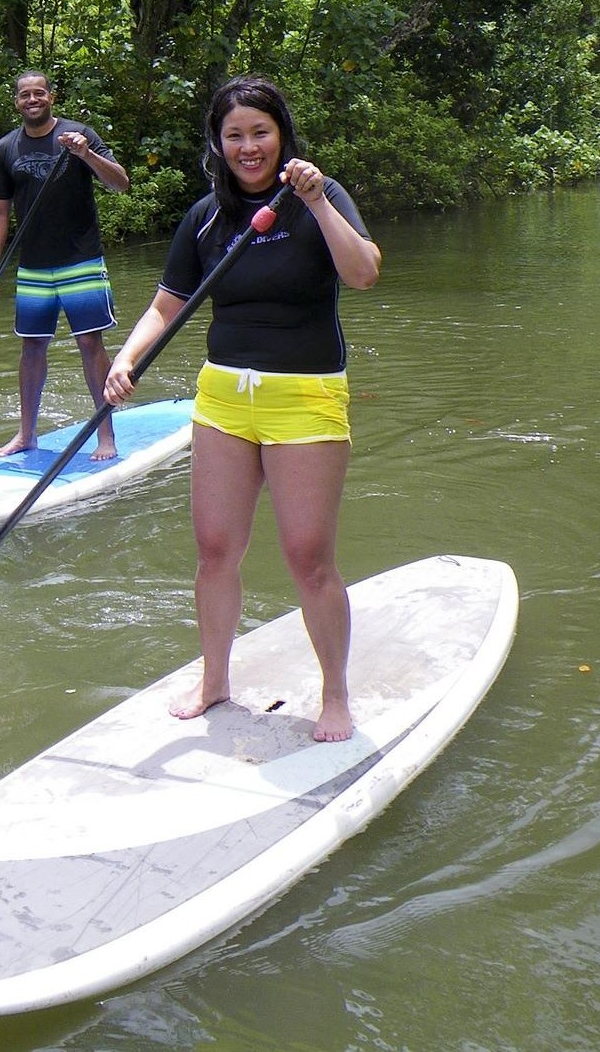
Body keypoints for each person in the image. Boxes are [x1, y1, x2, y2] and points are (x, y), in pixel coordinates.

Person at [104, 76, 381, 740]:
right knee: (215, 551)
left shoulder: (321, 196)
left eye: (260, 132)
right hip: (223, 399)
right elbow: (167, 304)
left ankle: (335, 694)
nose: (248, 147)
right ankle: (215, 678)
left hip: (305, 397)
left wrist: (316, 201)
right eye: (235, 135)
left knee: (308, 557)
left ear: (281, 135)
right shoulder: (206, 216)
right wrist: (127, 357)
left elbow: (364, 272)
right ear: (218, 143)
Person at [0, 70, 132, 460]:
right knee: (32, 347)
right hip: (33, 266)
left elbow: (121, 183)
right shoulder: (5, 147)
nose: (32, 100)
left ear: (51, 97)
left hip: (81, 260)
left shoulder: (80, 134)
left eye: (39, 93)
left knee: (90, 343)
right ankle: (26, 434)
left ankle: (106, 436)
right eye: (25, 95)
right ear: (17, 102)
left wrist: (86, 154)